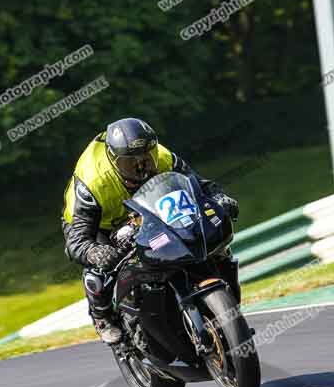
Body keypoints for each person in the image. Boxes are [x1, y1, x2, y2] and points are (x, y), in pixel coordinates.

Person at [61, 117, 240, 344]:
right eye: (130, 163)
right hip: (102, 222)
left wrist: (219, 198)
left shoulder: (164, 158)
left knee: (205, 237)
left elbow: (200, 186)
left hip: (149, 206)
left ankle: (217, 290)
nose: (142, 168)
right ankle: (102, 317)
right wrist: (93, 252)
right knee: (99, 269)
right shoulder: (93, 182)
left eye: (147, 158)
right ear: (114, 162)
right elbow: (77, 240)